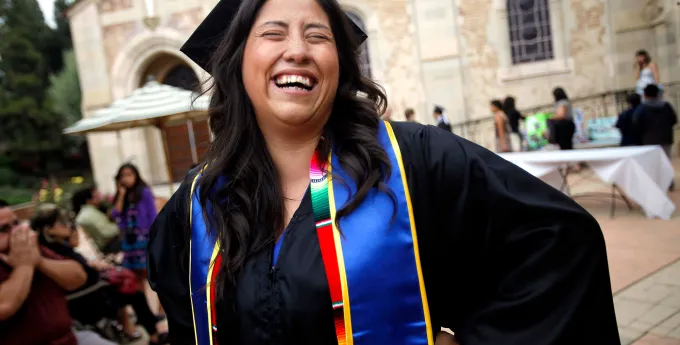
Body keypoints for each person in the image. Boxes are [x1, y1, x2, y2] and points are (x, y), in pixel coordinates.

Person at [148, 1, 620, 345]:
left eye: (318, 35)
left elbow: (559, 243)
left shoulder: (415, 160)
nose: (297, 50)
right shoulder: (196, 206)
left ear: (340, 64)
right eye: (273, 33)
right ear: (237, 61)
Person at [30, 204, 169, 344]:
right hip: (89, 297)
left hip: (91, 290)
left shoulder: (56, 246)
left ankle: (135, 328)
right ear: (49, 230)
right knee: (132, 289)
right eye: (61, 222)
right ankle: (152, 333)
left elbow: (78, 256)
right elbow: (80, 273)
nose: (67, 225)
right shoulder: (52, 252)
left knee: (127, 280)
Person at [0, 199, 88, 345]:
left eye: (16, 224)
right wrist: (24, 266)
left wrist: (40, 261)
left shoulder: (31, 249)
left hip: (69, 338)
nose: (16, 232)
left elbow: (79, 277)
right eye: (4, 229)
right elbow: (4, 306)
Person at [634, 84, 677, 191]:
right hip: (666, 138)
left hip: (649, 140)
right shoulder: (666, 105)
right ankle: (669, 183)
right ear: (658, 94)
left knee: (652, 163)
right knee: (666, 161)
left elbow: (636, 122)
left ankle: (655, 184)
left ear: (645, 95)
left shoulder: (642, 108)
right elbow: (674, 120)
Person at [72, 186, 122, 254]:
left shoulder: (90, 211)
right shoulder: (88, 214)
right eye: (96, 195)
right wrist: (122, 226)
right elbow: (107, 232)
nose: (100, 197)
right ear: (88, 200)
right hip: (111, 246)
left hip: (110, 245)